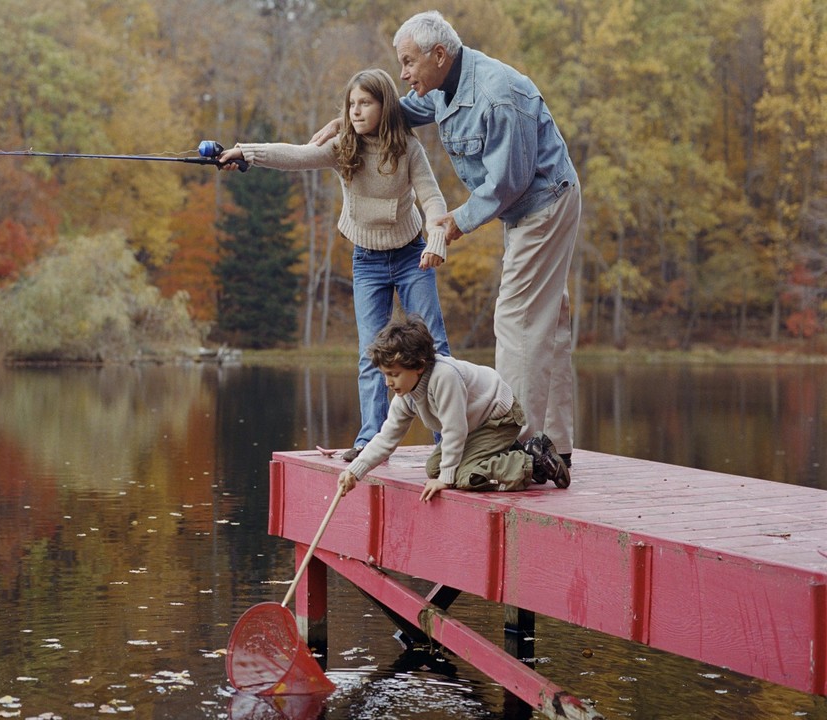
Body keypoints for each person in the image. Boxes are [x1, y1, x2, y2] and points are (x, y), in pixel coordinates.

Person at [312, 11, 582, 469]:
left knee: (516, 317)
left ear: (440, 54)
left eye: (409, 62)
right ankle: (555, 445)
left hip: (542, 203)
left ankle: (514, 441)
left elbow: (507, 183)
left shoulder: (497, 96)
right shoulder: (442, 90)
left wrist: (453, 222)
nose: (403, 73)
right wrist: (346, 120)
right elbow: (395, 109)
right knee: (548, 324)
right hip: (527, 209)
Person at [217, 68, 451, 463]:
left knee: (436, 346)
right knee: (369, 353)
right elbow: (296, 155)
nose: (356, 112)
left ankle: (447, 440)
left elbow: (432, 199)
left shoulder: (408, 149)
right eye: (351, 105)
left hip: (413, 254)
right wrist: (247, 153)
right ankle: (369, 442)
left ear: (384, 105)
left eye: (365, 104)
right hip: (367, 261)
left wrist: (438, 239)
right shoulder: (344, 147)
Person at [336, 313, 569, 502]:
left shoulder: (443, 377)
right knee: (434, 468)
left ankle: (533, 461)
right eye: (385, 375)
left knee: (465, 476)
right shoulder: (406, 394)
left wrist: (446, 480)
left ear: (418, 365)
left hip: (499, 418)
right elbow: (386, 438)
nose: (388, 383)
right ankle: (508, 453)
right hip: (475, 425)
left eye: (394, 375)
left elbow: (454, 430)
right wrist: (355, 471)